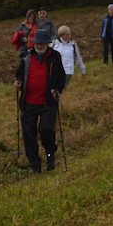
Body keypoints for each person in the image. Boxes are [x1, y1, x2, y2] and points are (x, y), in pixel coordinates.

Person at [14, 29, 66, 172]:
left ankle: (50, 154)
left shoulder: (55, 56)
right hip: (29, 101)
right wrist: (18, 81)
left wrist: (57, 89)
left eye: (42, 43)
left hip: (48, 102)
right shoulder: (26, 57)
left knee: (46, 130)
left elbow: (62, 77)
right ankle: (35, 165)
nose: (40, 45)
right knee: (28, 133)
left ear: (47, 43)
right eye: (37, 42)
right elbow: (19, 74)